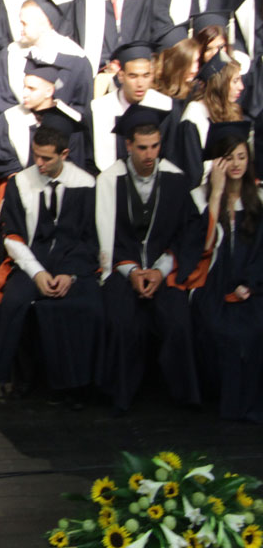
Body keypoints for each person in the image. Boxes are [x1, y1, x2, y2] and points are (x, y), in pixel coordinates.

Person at [93, 107, 202, 413]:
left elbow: (186, 232)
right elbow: (104, 235)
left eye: (155, 146)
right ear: (128, 145)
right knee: (121, 323)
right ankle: (122, 396)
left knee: (178, 321)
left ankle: (183, 396)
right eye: (142, 147)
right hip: (121, 268)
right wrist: (131, 271)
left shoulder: (175, 179)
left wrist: (160, 270)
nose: (150, 155)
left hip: (164, 268)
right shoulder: (109, 180)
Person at [0, 124, 102, 404]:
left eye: (47, 158)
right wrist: (37, 272)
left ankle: (74, 386)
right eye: (36, 155)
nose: (39, 163)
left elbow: (89, 239)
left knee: (86, 306)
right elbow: (12, 236)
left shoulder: (85, 184)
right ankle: (23, 379)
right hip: (31, 261)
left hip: (73, 262)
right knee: (15, 303)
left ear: (64, 154)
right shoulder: (20, 183)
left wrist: (70, 274)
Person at [187, 130, 263, 421]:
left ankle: (251, 405)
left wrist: (250, 285)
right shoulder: (199, 197)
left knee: (255, 329)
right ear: (217, 162)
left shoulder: (258, 198)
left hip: (252, 285)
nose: (236, 164)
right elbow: (202, 248)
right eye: (229, 158)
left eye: (242, 157)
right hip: (212, 285)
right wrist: (217, 194)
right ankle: (228, 404)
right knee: (222, 331)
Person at [85, 41, 176, 172]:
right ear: (121, 76)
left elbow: (171, 156)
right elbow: (89, 160)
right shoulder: (98, 109)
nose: (140, 83)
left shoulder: (165, 106)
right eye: (133, 76)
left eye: (146, 75)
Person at [0, 0, 94, 114]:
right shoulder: (11, 53)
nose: (20, 30)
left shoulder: (75, 58)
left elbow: (82, 106)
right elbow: (4, 99)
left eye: (24, 24)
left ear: (44, 24)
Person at [0, 63, 89, 178]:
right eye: (24, 87)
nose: (24, 94)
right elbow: (4, 161)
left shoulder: (70, 119)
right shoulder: (10, 117)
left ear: (49, 92)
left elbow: (74, 162)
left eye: (31, 89)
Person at [168, 55, 249, 183]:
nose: (241, 87)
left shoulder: (230, 110)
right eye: (235, 81)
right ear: (220, 84)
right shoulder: (194, 116)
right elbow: (193, 172)